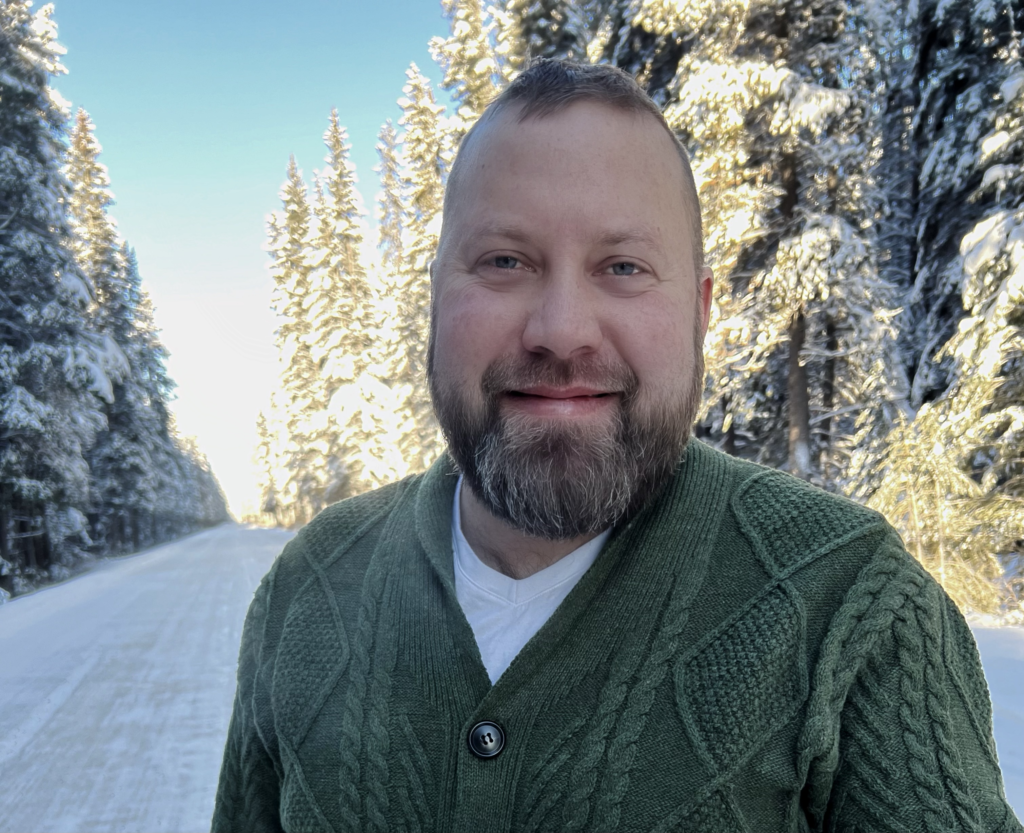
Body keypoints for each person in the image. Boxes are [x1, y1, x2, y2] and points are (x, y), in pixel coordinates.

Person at [212, 59, 1022, 833]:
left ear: (702, 310)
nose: (561, 330)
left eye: (624, 266)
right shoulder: (304, 592)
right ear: (435, 298)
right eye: (504, 261)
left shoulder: (853, 607)